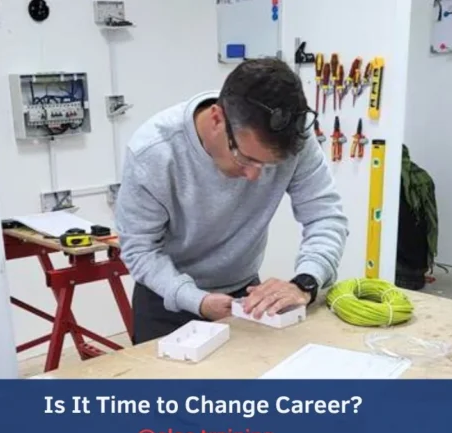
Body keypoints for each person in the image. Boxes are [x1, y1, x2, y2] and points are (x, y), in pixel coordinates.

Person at [114, 57, 349, 345]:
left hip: (246, 296)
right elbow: (140, 249)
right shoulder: (154, 152)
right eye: (246, 158)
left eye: (268, 166)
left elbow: (325, 217)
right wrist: (196, 300)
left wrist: (306, 282)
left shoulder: (295, 142)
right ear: (216, 119)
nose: (253, 176)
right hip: (167, 300)